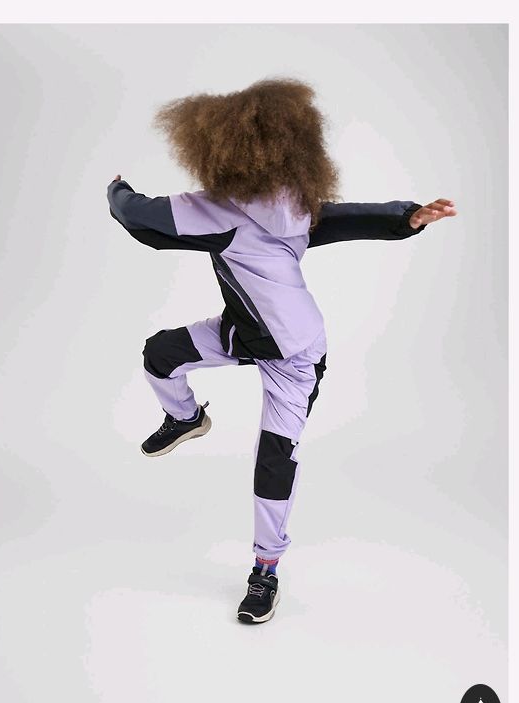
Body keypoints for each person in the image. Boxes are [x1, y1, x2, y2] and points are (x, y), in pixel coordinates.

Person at [106, 77, 457, 623]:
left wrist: (117, 189)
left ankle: (265, 571)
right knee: (161, 353)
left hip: (294, 359)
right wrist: (404, 217)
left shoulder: (219, 210)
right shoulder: (296, 206)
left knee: (274, 463)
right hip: (243, 333)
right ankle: (187, 418)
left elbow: (139, 217)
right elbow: (344, 217)